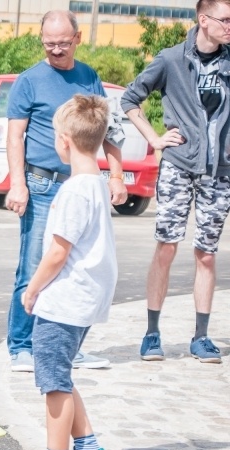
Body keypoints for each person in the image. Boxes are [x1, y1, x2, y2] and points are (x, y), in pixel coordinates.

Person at [4, 10, 127, 373]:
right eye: (48, 43)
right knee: (34, 267)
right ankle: (22, 347)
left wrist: (116, 175)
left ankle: (69, 345)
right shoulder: (29, 81)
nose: (55, 50)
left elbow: (107, 128)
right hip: (41, 185)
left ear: (77, 38)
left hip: (82, 184)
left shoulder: (89, 76)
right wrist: (17, 183)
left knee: (80, 269)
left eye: (62, 43)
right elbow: (15, 137)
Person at [7, 94, 117, 450]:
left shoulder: (73, 191)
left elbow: (57, 251)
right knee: (62, 374)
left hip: (66, 299)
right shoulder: (98, 184)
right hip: (86, 298)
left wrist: (32, 290)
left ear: (64, 142)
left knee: (53, 383)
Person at [121, 0, 230, 365]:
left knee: (207, 254)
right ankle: (152, 333)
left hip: (219, 172)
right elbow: (130, 98)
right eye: (226, 19)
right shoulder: (170, 59)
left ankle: (201, 337)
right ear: (204, 20)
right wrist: (153, 138)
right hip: (179, 167)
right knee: (167, 246)